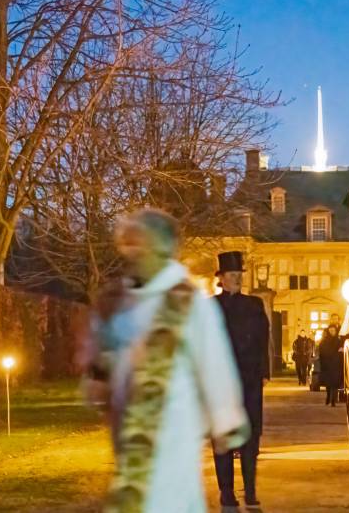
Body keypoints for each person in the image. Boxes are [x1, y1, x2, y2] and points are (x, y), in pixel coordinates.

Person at [82, 208, 249, 513]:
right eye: (129, 246)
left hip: (175, 421)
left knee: (171, 494)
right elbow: (101, 348)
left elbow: (212, 360)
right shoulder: (115, 300)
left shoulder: (189, 301)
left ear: (161, 250)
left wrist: (226, 417)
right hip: (130, 421)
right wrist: (97, 381)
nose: (133, 254)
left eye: (140, 246)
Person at [211, 251, 271, 512]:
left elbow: (264, 340)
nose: (237, 279)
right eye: (232, 275)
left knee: (251, 437)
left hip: (249, 379)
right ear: (221, 279)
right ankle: (226, 493)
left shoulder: (255, 305)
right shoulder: (208, 307)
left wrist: (265, 372)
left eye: (239, 275)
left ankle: (250, 490)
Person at [318, 323, 345, 407]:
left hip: (336, 365)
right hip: (327, 365)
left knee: (334, 383)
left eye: (333, 330)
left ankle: (333, 400)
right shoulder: (324, 341)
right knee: (328, 383)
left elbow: (342, 350)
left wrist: (341, 351)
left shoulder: (339, 340)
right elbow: (322, 352)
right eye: (330, 330)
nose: (332, 332)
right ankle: (328, 396)